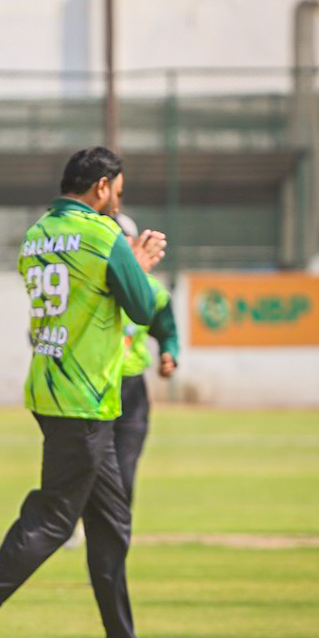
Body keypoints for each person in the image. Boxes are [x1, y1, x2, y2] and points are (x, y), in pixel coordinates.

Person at [0, 146, 188, 638]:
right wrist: (139, 265)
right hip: (83, 398)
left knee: (111, 524)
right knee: (51, 520)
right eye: (117, 192)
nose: (118, 202)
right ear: (101, 186)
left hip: (55, 389)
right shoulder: (103, 234)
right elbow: (142, 308)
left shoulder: (38, 233)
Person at [113, 212, 179, 506]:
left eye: (124, 239)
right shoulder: (91, 286)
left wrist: (169, 354)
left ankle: (116, 526)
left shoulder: (153, 291)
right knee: (89, 472)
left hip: (131, 391)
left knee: (124, 473)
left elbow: (167, 331)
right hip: (94, 387)